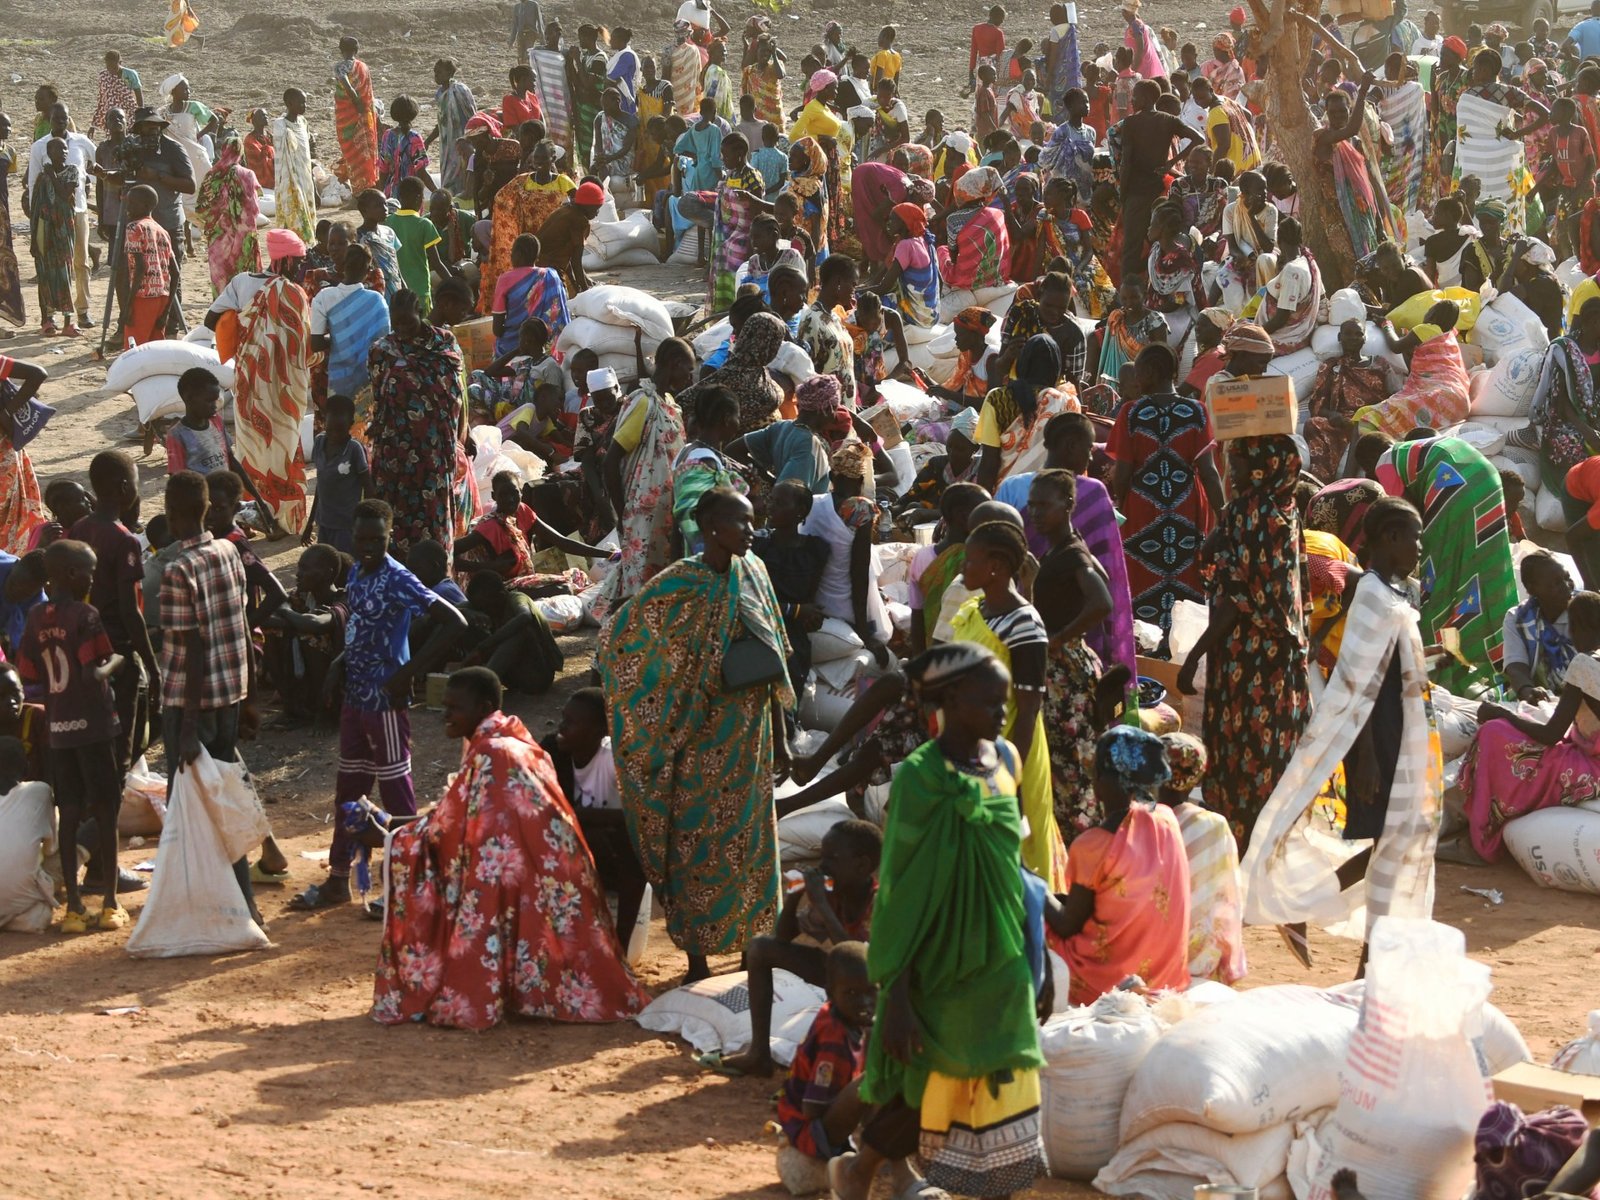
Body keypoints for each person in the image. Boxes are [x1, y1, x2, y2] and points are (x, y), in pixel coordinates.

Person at [831, 642, 1046, 1200]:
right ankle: (866, 1165)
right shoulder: (920, 778)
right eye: (990, 701)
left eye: (1006, 703)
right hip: (935, 956)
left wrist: (1038, 946)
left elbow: (1013, 859)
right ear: (950, 698)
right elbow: (901, 886)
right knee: (931, 1067)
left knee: (997, 1058)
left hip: (1000, 948)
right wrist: (896, 991)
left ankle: (952, 1177)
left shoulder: (1008, 762)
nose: (1003, 713)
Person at [372, 666, 648, 1028]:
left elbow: (451, 828)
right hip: (553, 875)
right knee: (489, 867)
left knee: (478, 881)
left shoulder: (493, 752)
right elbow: (467, 817)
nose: (446, 715)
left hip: (538, 876)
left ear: (483, 706)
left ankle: (480, 991)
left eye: (456, 708)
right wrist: (397, 825)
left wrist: (392, 838)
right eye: (446, 706)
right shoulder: (512, 742)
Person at [599, 487, 790, 983]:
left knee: (752, 848)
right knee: (695, 848)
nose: (751, 531)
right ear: (710, 529)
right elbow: (623, 639)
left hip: (751, 737)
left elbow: (775, 658)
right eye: (740, 523)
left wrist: (785, 738)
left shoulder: (758, 574)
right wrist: (666, 697)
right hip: (698, 738)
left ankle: (753, 951)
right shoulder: (680, 584)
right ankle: (698, 962)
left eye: (753, 522)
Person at [1244, 497, 1442, 969]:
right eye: (1414, 536)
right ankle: (1348, 944)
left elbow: (1390, 666)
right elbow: (1360, 680)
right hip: (1379, 733)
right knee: (1389, 842)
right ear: (1390, 539)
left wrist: (1429, 657)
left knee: (1392, 841)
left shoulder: (1394, 592)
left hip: (1400, 726)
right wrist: (1368, 755)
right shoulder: (1372, 594)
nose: (1420, 546)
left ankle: (1360, 953)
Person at [292, 500, 466, 911]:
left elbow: (455, 622)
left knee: (397, 797)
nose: (369, 545)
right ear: (352, 535)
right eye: (363, 538)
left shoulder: (398, 578)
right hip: (356, 697)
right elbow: (360, 628)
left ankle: (408, 889)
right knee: (348, 791)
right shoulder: (356, 572)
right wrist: (338, 665)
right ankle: (338, 878)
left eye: (378, 539)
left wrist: (408, 673)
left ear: (390, 538)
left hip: (386, 703)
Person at [1179, 435, 1311, 850]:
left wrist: (1193, 658)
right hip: (1282, 662)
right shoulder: (1287, 511)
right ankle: (1269, 851)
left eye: (1235, 467)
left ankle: (1237, 851)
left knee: (1239, 753)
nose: (1229, 475)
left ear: (1261, 470)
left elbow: (1236, 600)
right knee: (1271, 753)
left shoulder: (1251, 513)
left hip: (1246, 658)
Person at [158, 470, 263, 925]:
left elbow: (193, 648)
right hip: (230, 695)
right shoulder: (228, 553)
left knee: (192, 813)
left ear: (170, 513)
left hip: (191, 704)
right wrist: (252, 695)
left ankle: (210, 906)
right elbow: (241, 626)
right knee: (224, 803)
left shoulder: (177, 569)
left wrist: (184, 728)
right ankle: (244, 905)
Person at [712, 819, 881, 1079]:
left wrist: (823, 908)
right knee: (760, 948)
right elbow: (782, 937)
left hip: (872, 987)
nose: (823, 866)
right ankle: (759, 1054)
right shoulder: (834, 891)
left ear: (862, 866)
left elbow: (857, 958)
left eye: (832, 859)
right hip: (839, 976)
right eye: (822, 857)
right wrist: (794, 896)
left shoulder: (879, 901)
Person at [953, 519, 1070, 890]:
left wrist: (1009, 776)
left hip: (1009, 750)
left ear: (997, 567)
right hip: (973, 748)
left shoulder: (1024, 625)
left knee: (1017, 853)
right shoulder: (977, 609)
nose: (962, 568)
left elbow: (1029, 707)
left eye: (970, 560)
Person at [17, 540, 124, 933]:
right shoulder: (86, 614)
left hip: (59, 728)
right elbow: (90, 671)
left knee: (72, 810)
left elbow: (28, 671)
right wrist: (118, 660)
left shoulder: (34, 617)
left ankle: (74, 909)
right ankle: (111, 903)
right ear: (73, 576)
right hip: (94, 725)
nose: (93, 580)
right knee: (106, 808)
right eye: (91, 573)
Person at [1046, 726, 1190, 1002]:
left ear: (1103, 782)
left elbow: (1067, 925)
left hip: (1104, 981)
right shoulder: (1167, 820)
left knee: (1026, 917)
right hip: (1166, 975)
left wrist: (1034, 886)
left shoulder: (1093, 845)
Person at [1376, 436, 1516, 695]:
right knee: (1486, 567)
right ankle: (1502, 655)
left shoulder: (1382, 464)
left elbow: (1407, 514)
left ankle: (1444, 657)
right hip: (1486, 480)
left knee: (1442, 583)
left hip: (1452, 489)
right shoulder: (1425, 450)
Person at [1108, 342, 1222, 636]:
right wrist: (1224, 516)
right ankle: (1178, 640)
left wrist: (1118, 500)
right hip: (1185, 507)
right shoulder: (1196, 411)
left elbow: (1122, 472)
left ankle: (1142, 642)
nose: (1135, 379)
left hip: (1141, 510)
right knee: (1185, 573)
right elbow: (1208, 471)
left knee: (1140, 576)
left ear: (1153, 371)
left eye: (1140, 370)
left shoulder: (1132, 413)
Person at [1028, 467, 1116, 842]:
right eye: (1031, 506)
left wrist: (1058, 639)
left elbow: (1102, 601)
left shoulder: (1072, 553)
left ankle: (1079, 847)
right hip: (1066, 667)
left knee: (1071, 766)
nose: (1035, 513)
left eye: (1043, 506)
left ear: (1066, 506)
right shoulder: (1063, 548)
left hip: (1065, 673)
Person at [223, 229, 311, 536]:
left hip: (249, 381)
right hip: (280, 388)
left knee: (253, 447)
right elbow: (301, 347)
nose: (303, 266)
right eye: (299, 260)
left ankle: (257, 513)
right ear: (285, 259)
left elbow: (214, 321)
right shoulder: (294, 293)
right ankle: (282, 516)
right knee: (283, 446)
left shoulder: (244, 283)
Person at [366, 290, 465, 561]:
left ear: (420, 313)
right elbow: (378, 400)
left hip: (434, 449)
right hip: (394, 452)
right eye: (396, 324)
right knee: (394, 521)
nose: (402, 330)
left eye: (408, 322)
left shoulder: (444, 344)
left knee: (433, 516)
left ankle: (436, 578)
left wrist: (462, 436)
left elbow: (457, 394)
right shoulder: (381, 351)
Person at [1157, 732, 1246, 985]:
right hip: (1203, 959)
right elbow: (1228, 897)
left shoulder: (1144, 821)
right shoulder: (1214, 825)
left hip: (1154, 953)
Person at [1117, 79, 1203, 280]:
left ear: (1146, 98)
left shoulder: (1131, 123)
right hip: (1159, 191)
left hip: (1136, 192)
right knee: (1158, 242)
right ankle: (1157, 284)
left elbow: (1126, 162)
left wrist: (1123, 193)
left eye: (1135, 96)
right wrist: (1170, 163)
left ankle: (1127, 290)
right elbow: (1198, 138)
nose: (1131, 100)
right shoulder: (1168, 120)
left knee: (1132, 244)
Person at [260, 543, 349, 726]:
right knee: (273, 632)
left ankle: (325, 712)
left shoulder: (342, 599)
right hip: (308, 672)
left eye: (305, 569)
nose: (298, 574)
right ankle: (291, 708)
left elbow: (315, 624)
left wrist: (286, 614)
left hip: (340, 675)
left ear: (327, 573)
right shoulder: (301, 596)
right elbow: (266, 618)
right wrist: (292, 619)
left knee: (310, 636)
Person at [25, 105, 96, 331]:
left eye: (64, 118)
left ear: (68, 118)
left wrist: (92, 186)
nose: (60, 122)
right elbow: (34, 181)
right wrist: (32, 214)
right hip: (48, 215)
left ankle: (82, 311)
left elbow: (95, 166)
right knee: (49, 265)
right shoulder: (39, 146)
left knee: (80, 262)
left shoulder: (81, 141)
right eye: (56, 118)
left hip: (78, 209)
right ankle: (51, 316)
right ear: (50, 119)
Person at [1304, 318, 1391, 481]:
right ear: (1339, 337)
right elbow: (1318, 405)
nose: (1353, 338)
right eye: (1348, 334)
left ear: (1365, 338)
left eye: (1358, 334)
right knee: (1313, 423)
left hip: (1372, 419)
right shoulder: (1331, 366)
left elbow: (1392, 396)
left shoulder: (1380, 364)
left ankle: (1348, 479)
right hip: (1342, 422)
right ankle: (1321, 480)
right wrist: (1331, 415)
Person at [1502, 551, 1577, 703]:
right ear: (1531, 589)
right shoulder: (1518, 619)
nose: (1566, 586)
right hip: (1546, 701)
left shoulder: (1586, 607)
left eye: (1567, 577)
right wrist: (1527, 691)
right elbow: (1516, 666)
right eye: (1555, 583)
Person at [194, 136, 261, 296]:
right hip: (243, 237)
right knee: (244, 280)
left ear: (223, 151)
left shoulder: (211, 175)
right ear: (240, 153)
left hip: (219, 237)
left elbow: (201, 208)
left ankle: (222, 312)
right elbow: (254, 208)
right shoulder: (248, 174)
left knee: (221, 279)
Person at [304, 394, 370, 554]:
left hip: (346, 526)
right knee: (327, 566)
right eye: (330, 429)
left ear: (350, 425)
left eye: (340, 430)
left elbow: (368, 486)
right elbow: (321, 484)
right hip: (324, 522)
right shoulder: (319, 443)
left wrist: (366, 523)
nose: (334, 435)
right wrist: (310, 523)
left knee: (345, 570)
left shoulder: (354, 449)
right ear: (324, 421)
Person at [29, 137, 81, 337]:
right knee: (45, 273)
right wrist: (34, 237)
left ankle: (69, 321)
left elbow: (63, 195)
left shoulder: (72, 172)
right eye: (58, 149)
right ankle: (47, 319)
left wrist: (51, 173)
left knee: (65, 272)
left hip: (64, 230)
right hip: (45, 229)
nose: (64, 152)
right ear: (49, 153)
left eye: (65, 148)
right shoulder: (42, 178)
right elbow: (35, 208)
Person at [117, 184, 175, 347]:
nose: (127, 207)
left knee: (134, 350)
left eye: (131, 203)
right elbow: (175, 272)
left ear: (145, 205)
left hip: (142, 296)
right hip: (162, 296)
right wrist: (167, 310)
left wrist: (127, 305)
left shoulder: (134, 228)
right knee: (155, 350)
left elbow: (140, 268)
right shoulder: (162, 230)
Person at [1259, 217, 1322, 355]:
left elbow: (1280, 319)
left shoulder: (1292, 271)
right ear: (1300, 238)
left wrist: (1256, 334)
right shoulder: (1309, 262)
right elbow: (1322, 296)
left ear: (1279, 240)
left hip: (1286, 336)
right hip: (1297, 332)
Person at [535, 178, 606, 293]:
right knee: (559, 304)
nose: (597, 213)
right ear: (587, 206)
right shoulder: (579, 221)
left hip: (536, 265)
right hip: (549, 270)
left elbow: (564, 254)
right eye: (596, 209)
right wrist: (585, 291)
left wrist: (575, 283)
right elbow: (575, 261)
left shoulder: (565, 210)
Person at [270, 89, 316, 245]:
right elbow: (282, 152)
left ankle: (307, 245)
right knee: (292, 212)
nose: (305, 105)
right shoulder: (280, 125)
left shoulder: (303, 122)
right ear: (289, 103)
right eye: (301, 102)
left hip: (305, 176)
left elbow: (307, 150)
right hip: (289, 179)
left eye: (306, 102)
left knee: (308, 211)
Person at [334, 37, 380, 193]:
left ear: (341, 50)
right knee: (364, 152)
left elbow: (346, 85)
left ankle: (358, 193)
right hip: (365, 116)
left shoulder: (341, 67)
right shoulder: (364, 66)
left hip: (349, 118)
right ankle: (368, 187)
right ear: (357, 49)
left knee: (352, 154)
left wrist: (356, 101)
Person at [427, 59, 476, 198]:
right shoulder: (439, 94)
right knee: (448, 176)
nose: (436, 75)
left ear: (449, 73)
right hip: (446, 146)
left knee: (462, 173)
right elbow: (441, 122)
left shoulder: (461, 90)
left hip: (462, 143)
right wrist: (428, 141)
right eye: (434, 72)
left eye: (439, 72)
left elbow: (472, 115)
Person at [90, 50, 143, 138]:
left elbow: (138, 95)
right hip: (111, 114)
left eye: (114, 67)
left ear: (120, 62)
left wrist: (141, 114)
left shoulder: (130, 74)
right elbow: (102, 100)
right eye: (108, 66)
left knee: (130, 138)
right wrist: (93, 125)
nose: (111, 70)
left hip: (128, 112)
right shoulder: (103, 76)